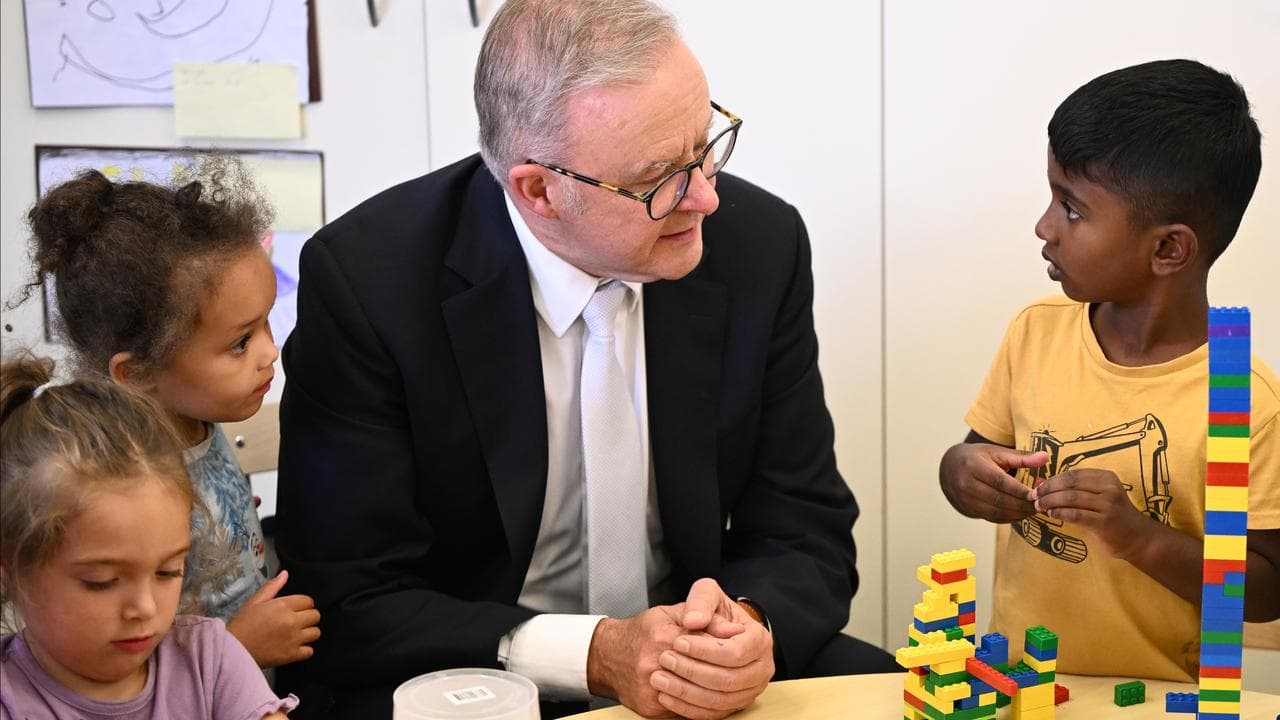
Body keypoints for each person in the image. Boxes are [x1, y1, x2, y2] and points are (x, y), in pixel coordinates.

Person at [274, 0, 895, 717]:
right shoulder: (372, 282)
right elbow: (352, 596)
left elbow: (806, 523)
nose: (706, 198)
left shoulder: (760, 244)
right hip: (480, 669)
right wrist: (598, 654)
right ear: (538, 190)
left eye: (706, 147)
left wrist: (750, 629)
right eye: (661, 176)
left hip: (686, 652)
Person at [938, 59, 1280, 681]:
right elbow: (975, 455)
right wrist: (961, 473)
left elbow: (1265, 592)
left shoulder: (1246, 400)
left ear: (1168, 249)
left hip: (1157, 698)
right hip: (1020, 684)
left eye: (1071, 209)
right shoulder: (1035, 331)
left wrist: (1135, 534)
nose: (1043, 227)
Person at [14, 161, 320, 669]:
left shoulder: (192, 416)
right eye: (240, 342)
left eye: (266, 323)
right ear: (136, 373)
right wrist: (238, 648)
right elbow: (116, 661)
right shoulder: (106, 484)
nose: (271, 352)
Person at [0, 355, 299, 719]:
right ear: (10, 567)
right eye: (102, 582)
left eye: (168, 572)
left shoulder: (211, 658)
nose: (145, 608)